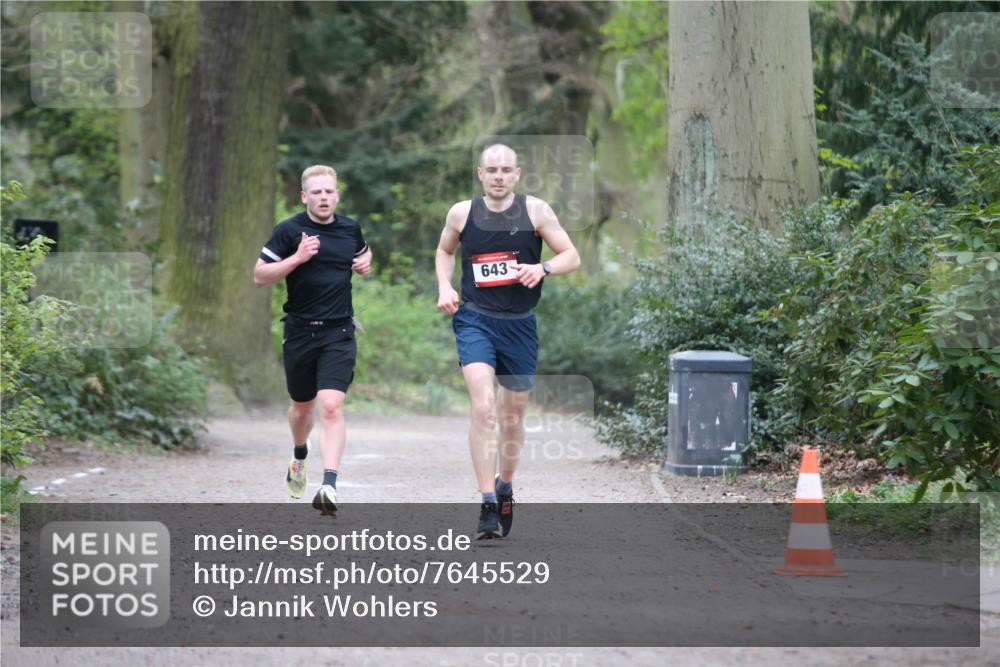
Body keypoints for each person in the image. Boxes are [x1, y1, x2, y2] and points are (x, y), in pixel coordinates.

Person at [435, 143, 581, 539]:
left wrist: (543, 267)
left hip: (519, 325)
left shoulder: (536, 211)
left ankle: (504, 486)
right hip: (475, 320)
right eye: (491, 170)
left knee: (512, 416)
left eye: (506, 170)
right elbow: (444, 251)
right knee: (483, 408)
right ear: (480, 174)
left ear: (517, 174)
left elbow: (572, 255)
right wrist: (445, 286)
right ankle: (485, 503)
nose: (499, 176)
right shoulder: (461, 213)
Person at [254, 165, 371, 515]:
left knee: (331, 406)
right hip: (300, 332)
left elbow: (363, 253)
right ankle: (300, 453)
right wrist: (298, 258)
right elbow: (260, 275)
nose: (323, 197)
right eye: (316, 192)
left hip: (339, 332)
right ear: (305, 197)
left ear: (337, 195)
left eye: (329, 192)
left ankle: (330, 486)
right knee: (302, 408)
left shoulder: (350, 229)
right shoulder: (289, 231)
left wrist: (365, 263)